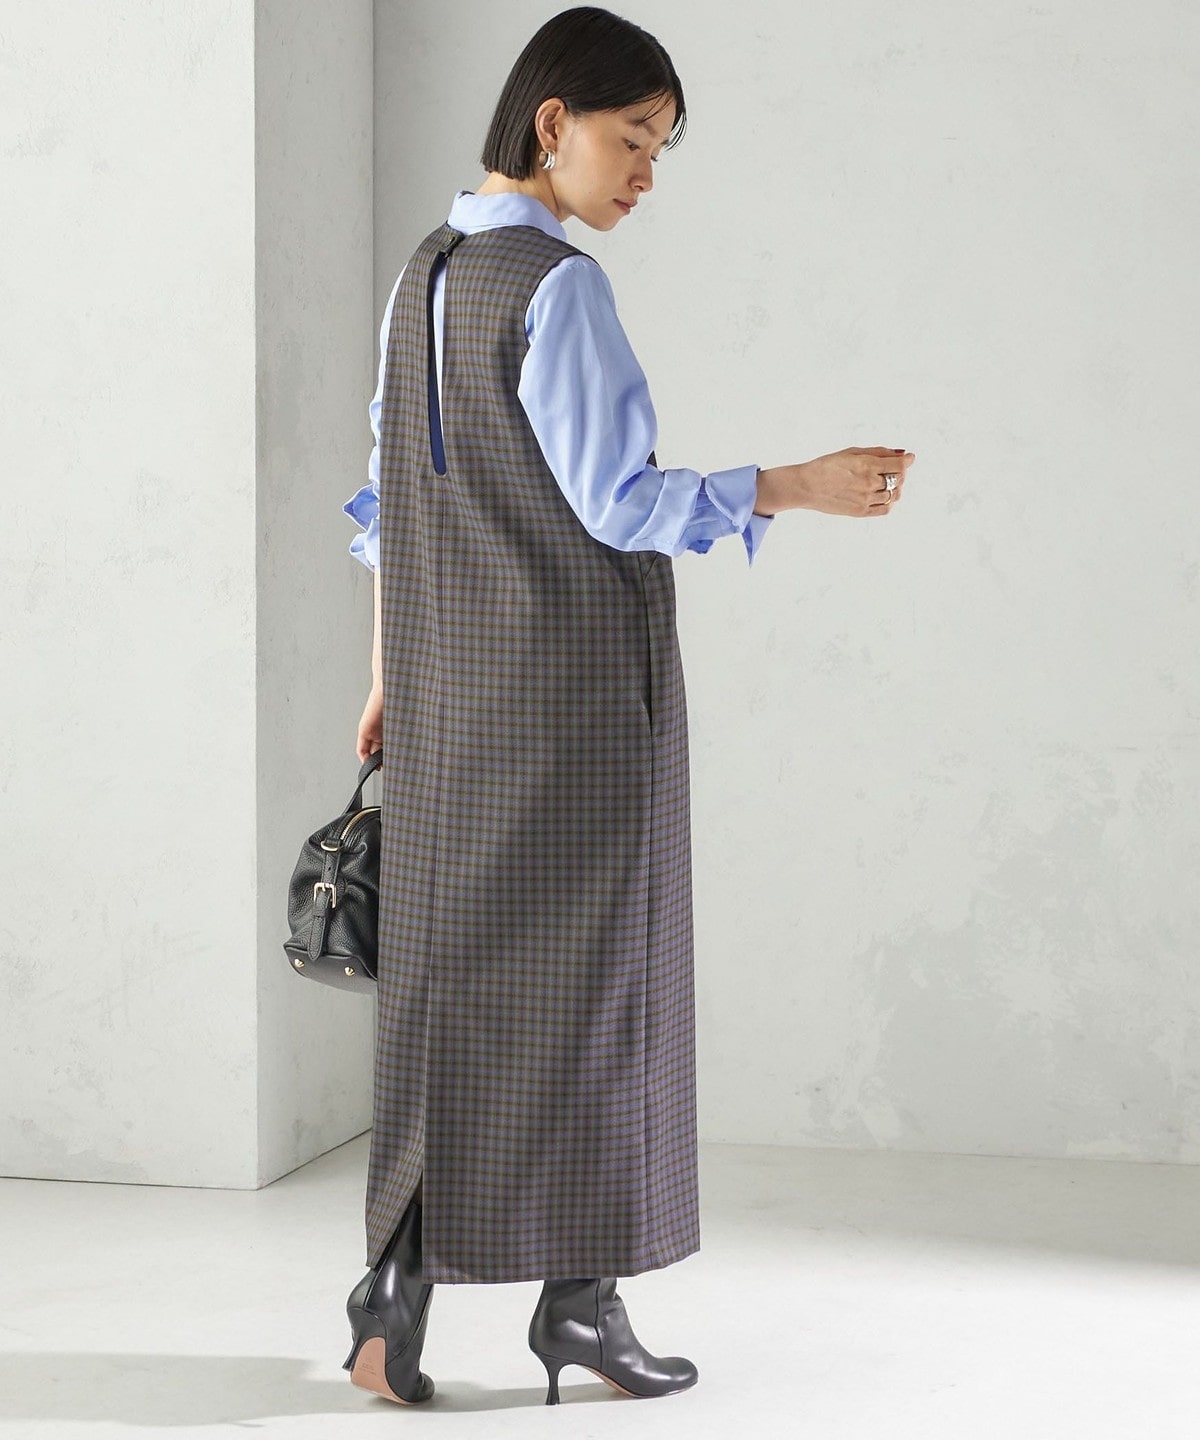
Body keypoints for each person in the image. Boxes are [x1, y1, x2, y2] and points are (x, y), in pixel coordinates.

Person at [338, 4, 914, 1409]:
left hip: (450, 695)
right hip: (579, 703)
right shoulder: (559, 285)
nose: (647, 175)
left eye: (660, 151)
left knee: (444, 989)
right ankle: (581, 1310)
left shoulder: (420, 275)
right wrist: (792, 485)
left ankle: (391, 1298)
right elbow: (620, 503)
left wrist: (387, 674)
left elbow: (384, 507)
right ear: (554, 125)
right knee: (605, 994)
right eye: (634, 140)